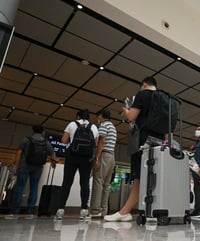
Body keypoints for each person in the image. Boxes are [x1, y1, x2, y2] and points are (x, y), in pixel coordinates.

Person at [104, 76, 164, 222]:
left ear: (144, 85)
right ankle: (152, 210)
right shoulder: (164, 98)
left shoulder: (142, 94)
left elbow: (132, 117)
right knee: (155, 177)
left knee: (139, 176)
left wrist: (126, 111)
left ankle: (125, 211)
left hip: (142, 140)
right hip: (159, 141)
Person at [5, 125, 56, 220]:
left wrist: (16, 165)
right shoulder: (46, 142)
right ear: (43, 132)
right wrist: (53, 162)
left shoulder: (26, 140)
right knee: (34, 187)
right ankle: (30, 212)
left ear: (33, 131)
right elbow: (52, 153)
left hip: (25, 166)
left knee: (20, 187)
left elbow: (19, 153)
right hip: (38, 167)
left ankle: (14, 212)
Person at [55, 109, 99, 220]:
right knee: (84, 183)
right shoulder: (94, 128)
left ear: (78, 116)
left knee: (67, 182)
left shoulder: (72, 124)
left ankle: (60, 210)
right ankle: (84, 210)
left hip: (72, 157)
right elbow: (96, 145)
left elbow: (64, 140)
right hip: (86, 159)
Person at [90, 109, 117, 217]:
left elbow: (102, 142)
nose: (98, 118)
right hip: (112, 156)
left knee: (98, 181)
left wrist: (96, 158)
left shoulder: (103, 125)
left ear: (101, 116)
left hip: (104, 155)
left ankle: (95, 210)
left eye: (98, 116)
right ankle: (104, 211)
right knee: (106, 185)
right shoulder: (113, 127)